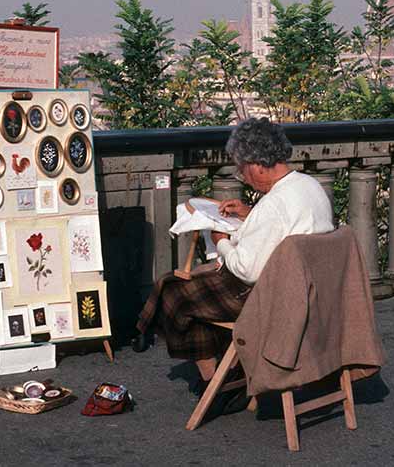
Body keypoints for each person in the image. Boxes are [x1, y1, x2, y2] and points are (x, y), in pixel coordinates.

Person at [133, 117, 334, 396]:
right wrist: (250, 213)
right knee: (194, 286)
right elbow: (290, 224)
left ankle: (215, 384)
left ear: (255, 165)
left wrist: (221, 242)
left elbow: (246, 270)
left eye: (242, 170)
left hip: (275, 300)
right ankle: (228, 372)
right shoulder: (308, 186)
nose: (243, 176)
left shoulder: (275, 204)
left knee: (173, 290)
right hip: (311, 292)